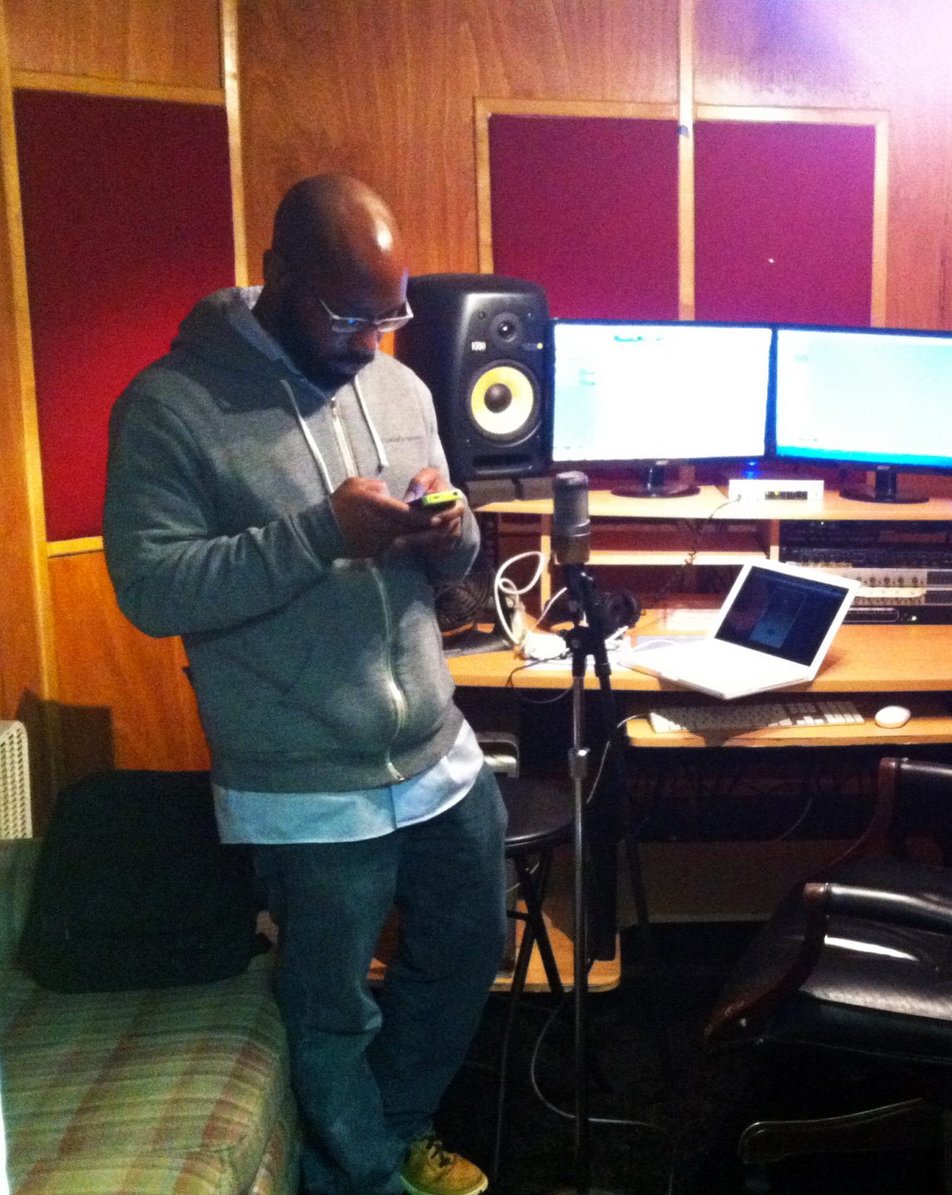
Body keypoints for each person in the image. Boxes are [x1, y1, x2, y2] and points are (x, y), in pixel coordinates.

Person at [103, 174, 505, 1195]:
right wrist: (322, 531)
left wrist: (453, 536)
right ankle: (356, 1178)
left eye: (391, 312)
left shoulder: (402, 387)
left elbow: (453, 554)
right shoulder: (169, 406)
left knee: (465, 953)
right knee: (333, 1010)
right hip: (304, 785)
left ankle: (395, 1130)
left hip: (436, 756)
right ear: (280, 274)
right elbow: (152, 588)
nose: (373, 337)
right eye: (349, 312)